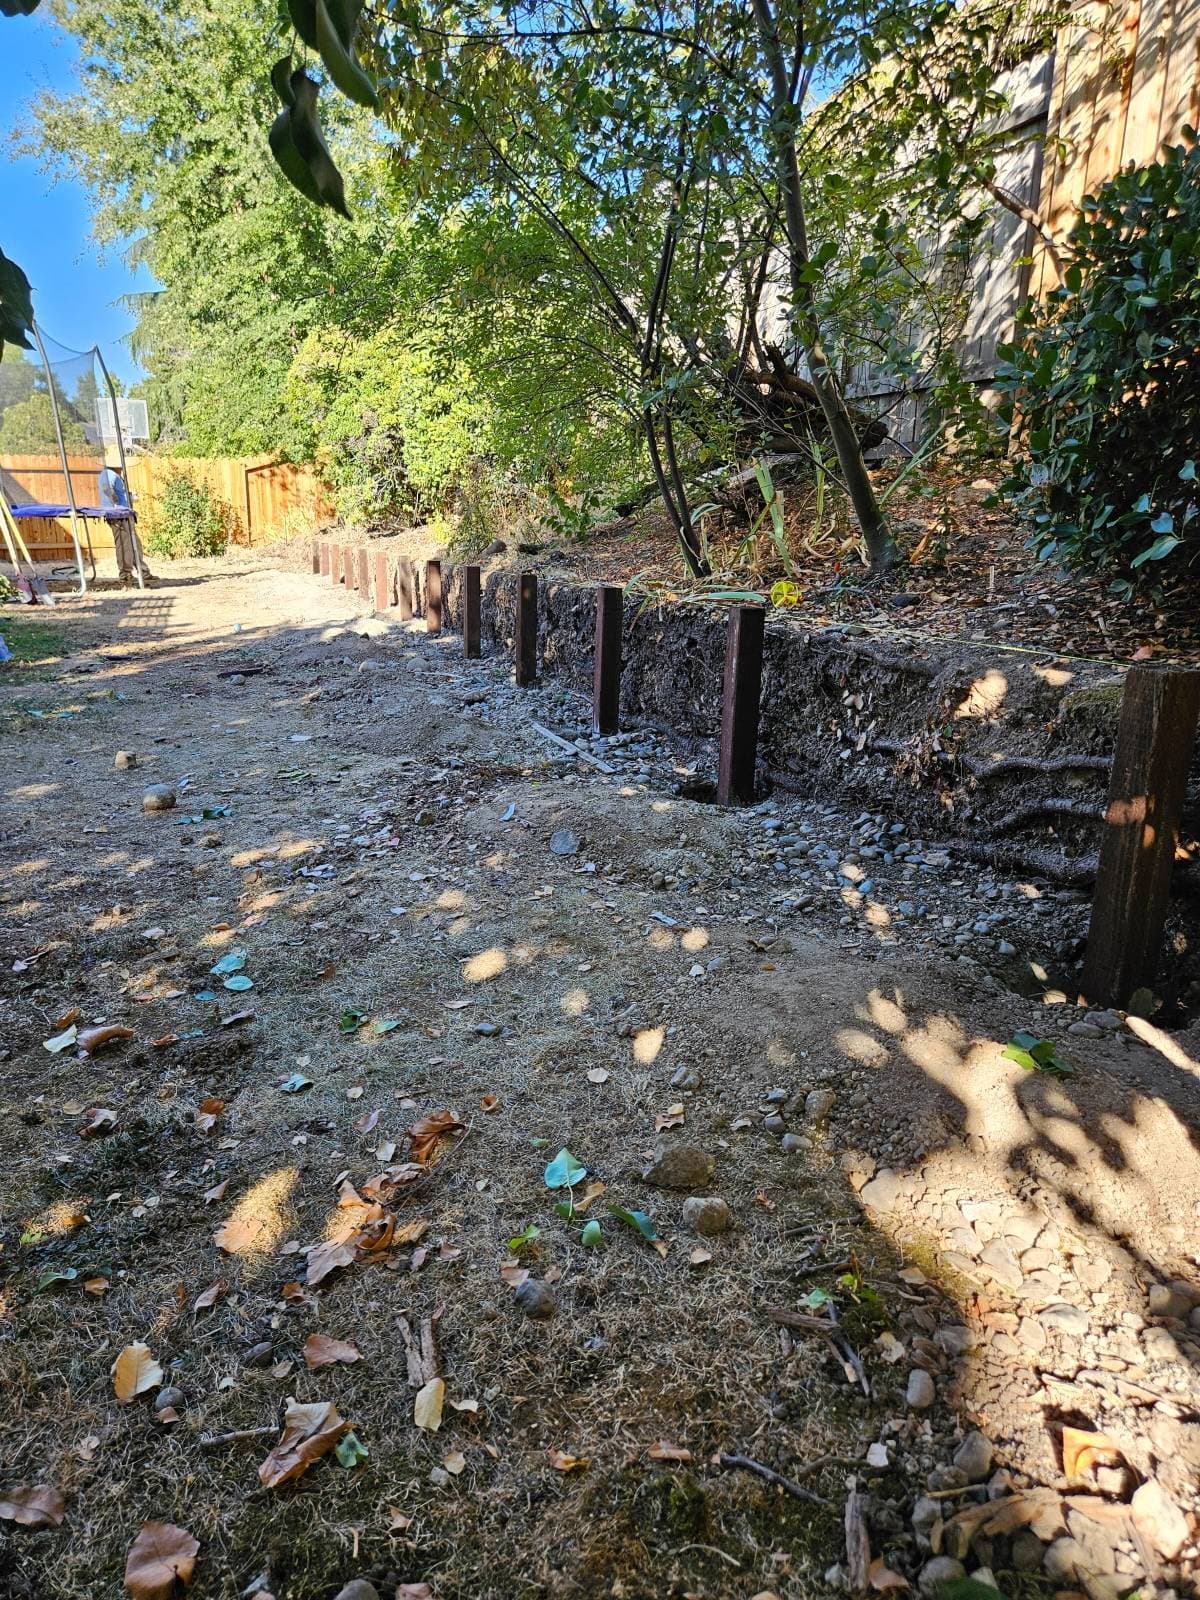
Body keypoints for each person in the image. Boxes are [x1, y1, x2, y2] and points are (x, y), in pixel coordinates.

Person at [97, 462, 150, 584]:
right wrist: (115, 503)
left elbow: (118, 492)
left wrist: (128, 497)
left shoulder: (115, 474)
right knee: (124, 545)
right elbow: (106, 488)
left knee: (134, 544)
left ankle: (143, 572)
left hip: (124, 514)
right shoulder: (108, 473)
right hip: (118, 515)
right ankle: (125, 575)